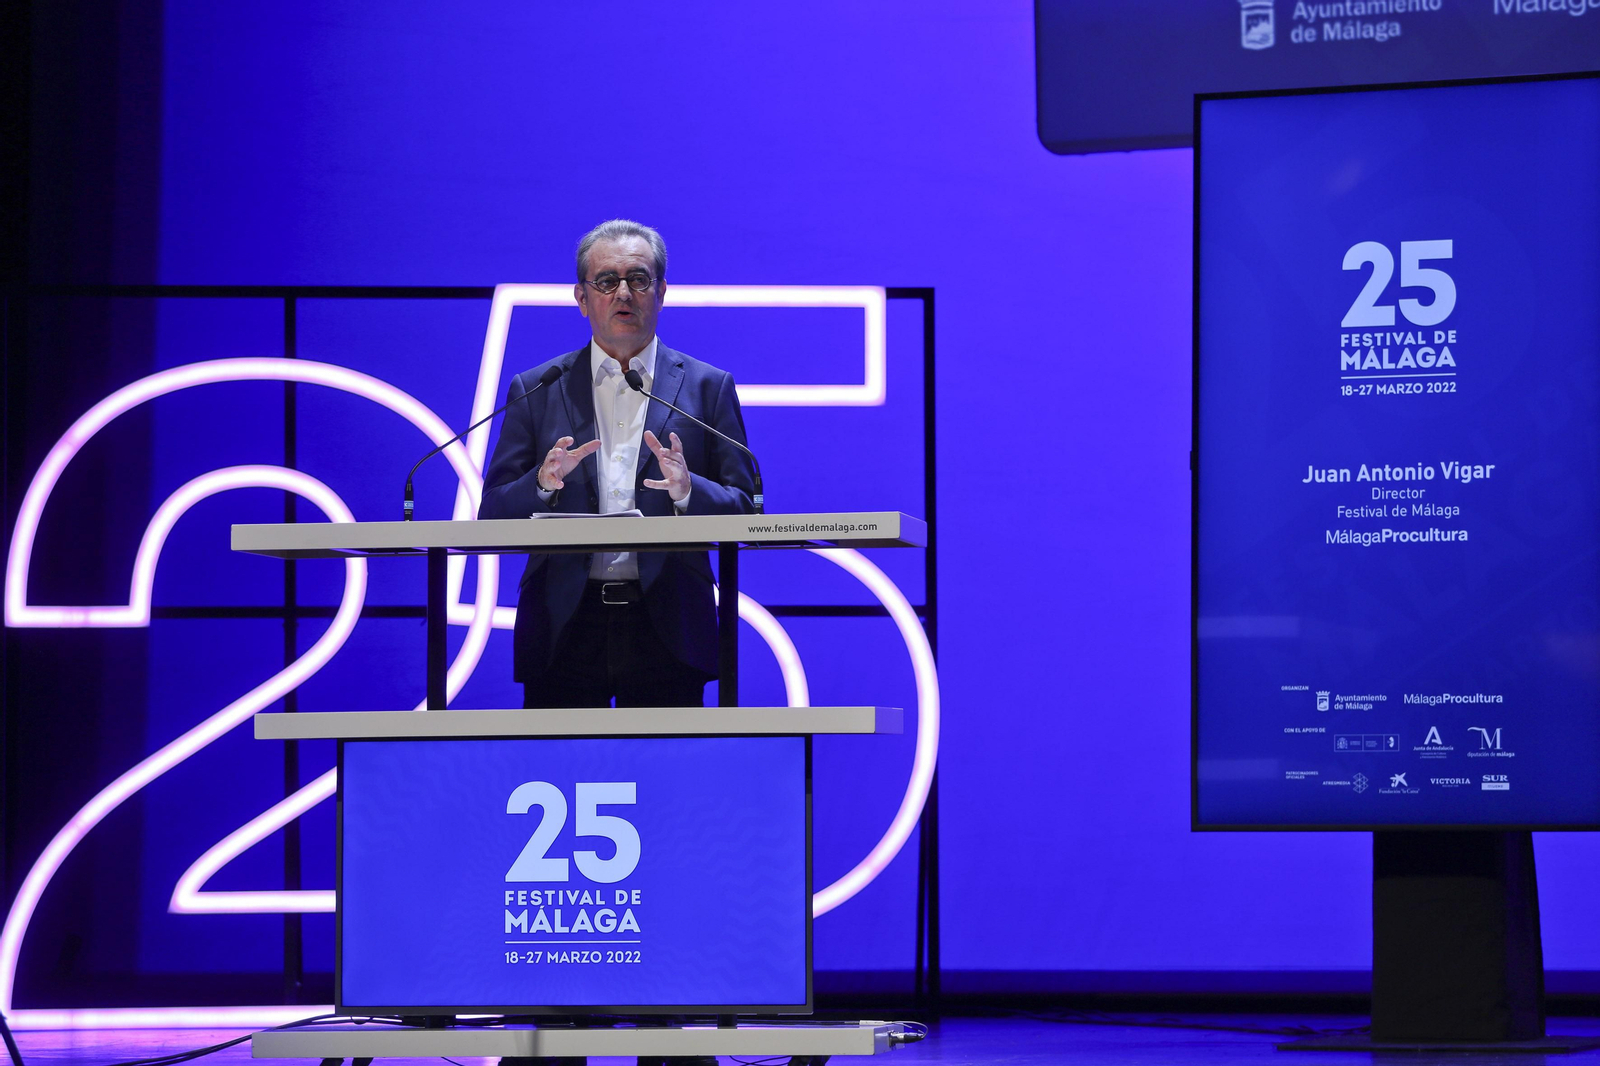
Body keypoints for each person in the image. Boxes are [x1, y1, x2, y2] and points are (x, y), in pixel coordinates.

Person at [478, 219, 758, 710]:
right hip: (563, 624)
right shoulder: (538, 388)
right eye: (607, 281)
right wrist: (541, 485)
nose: (623, 292)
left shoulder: (708, 388)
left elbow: (747, 508)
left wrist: (689, 492)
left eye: (639, 278)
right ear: (582, 298)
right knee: (561, 774)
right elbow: (493, 515)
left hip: (667, 625)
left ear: (662, 291)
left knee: (667, 778)